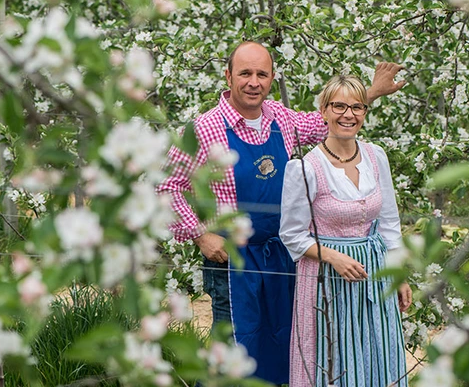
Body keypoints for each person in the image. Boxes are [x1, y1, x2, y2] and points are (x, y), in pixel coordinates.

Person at [156, 41, 405, 385]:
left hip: (282, 256)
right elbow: (166, 188)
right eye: (245, 73)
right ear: (228, 76)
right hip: (232, 259)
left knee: (283, 345)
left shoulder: (281, 119)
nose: (253, 82)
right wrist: (201, 234)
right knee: (233, 348)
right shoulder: (203, 129)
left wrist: (371, 93)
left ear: (272, 78)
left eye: (262, 74)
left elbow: (332, 120)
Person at [279, 74, 412, 387]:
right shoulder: (305, 167)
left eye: (357, 107)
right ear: (323, 111)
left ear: (365, 112)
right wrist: (334, 258)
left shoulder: (376, 157)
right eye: (338, 106)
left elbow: (390, 224)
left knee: (377, 352)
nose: (348, 114)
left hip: (374, 276)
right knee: (334, 357)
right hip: (327, 281)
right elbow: (292, 234)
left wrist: (399, 275)